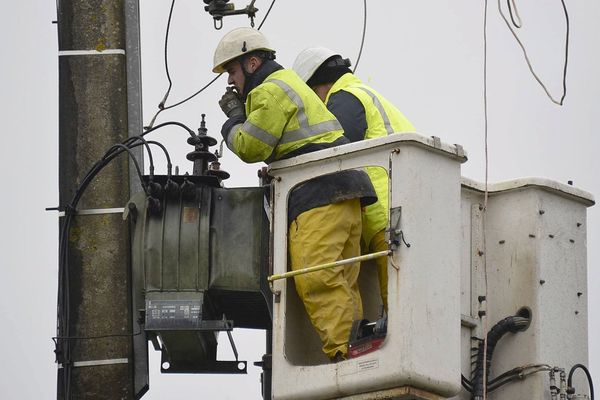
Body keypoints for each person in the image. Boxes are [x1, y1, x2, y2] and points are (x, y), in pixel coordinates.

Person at [213, 28, 377, 362]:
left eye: (232, 71)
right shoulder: (290, 84)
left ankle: (344, 357)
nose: (230, 82)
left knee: (317, 278)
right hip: (346, 192)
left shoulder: (269, 92)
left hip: (319, 198)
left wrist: (233, 120)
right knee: (343, 279)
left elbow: (251, 145)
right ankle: (358, 350)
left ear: (253, 62)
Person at [293, 47, 415, 313]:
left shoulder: (343, 98)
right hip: (403, 208)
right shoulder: (365, 94)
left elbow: (332, 150)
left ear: (316, 85)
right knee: (404, 301)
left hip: (388, 214)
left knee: (398, 310)